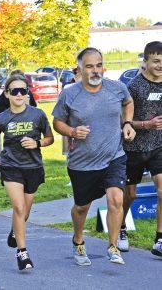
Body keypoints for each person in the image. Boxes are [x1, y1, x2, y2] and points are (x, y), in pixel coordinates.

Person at [52, 47, 136, 266]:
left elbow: (128, 102)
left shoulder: (117, 88)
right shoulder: (70, 93)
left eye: (99, 65)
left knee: (116, 199)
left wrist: (127, 123)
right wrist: (71, 131)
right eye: (89, 66)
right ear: (80, 68)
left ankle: (112, 245)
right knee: (82, 207)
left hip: (113, 156)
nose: (95, 70)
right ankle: (78, 240)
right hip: (83, 162)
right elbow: (57, 122)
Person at [0, 73, 54, 270]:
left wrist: (37, 142)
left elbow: (50, 138)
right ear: (7, 94)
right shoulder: (2, 118)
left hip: (33, 167)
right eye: (15, 91)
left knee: (25, 213)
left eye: (23, 90)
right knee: (19, 208)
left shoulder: (37, 115)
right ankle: (22, 253)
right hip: (11, 167)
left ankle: (15, 230)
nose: (19, 94)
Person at [119, 41, 162, 257]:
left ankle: (160, 239)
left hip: (158, 146)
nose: (160, 65)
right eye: (156, 61)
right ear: (145, 62)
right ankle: (121, 227)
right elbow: (124, 121)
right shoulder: (134, 87)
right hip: (134, 147)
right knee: (130, 195)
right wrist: (146, 124)